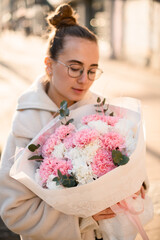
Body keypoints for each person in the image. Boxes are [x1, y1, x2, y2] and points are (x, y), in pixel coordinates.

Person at [0, 3, 146, 240]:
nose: (84, 80)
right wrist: (83, 216)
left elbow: (137, 173)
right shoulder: (26, 123)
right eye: (75, 68)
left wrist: (133, 186)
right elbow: (15, 212)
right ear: (49, 65)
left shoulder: (102, 108)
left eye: (92, 70)